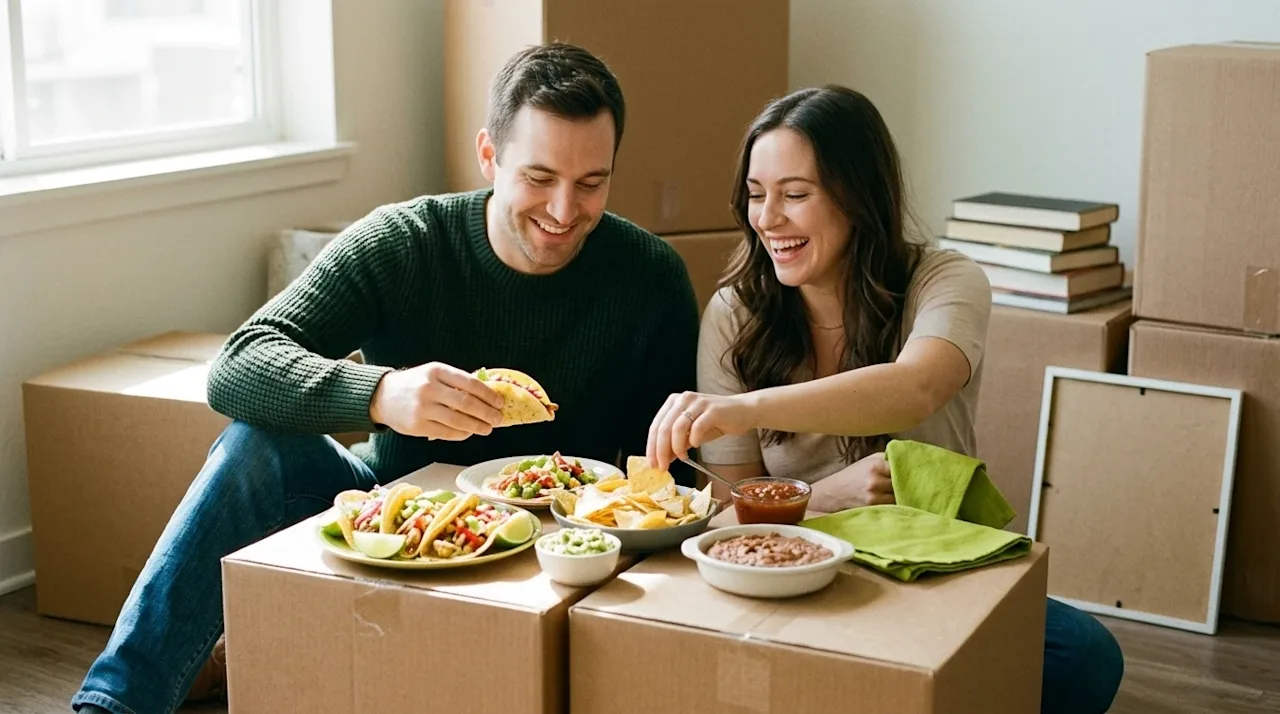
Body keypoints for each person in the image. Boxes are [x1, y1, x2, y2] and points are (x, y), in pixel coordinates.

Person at [71, 42, 700, 714]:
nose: (565, 210)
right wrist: (380, 395)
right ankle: (115, 703)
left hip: (559, 544)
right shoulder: (405, 243)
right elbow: (238, 364)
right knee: (255, 448)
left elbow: (666, 478)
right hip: (388, 512)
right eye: (539, 177)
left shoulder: (650, 278)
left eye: (592, 182)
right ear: (489, 157)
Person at [645, 85, 1124, 714]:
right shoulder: (736, 312)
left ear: (857, 195)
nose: (768, 219)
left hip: (935, 569)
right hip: (796, 568)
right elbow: (731, 509)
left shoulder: (946, 280)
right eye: (757, 196)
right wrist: (820, 498)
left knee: (1085, 657)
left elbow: (915, 386)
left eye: (795, 195)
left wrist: (751, 406)